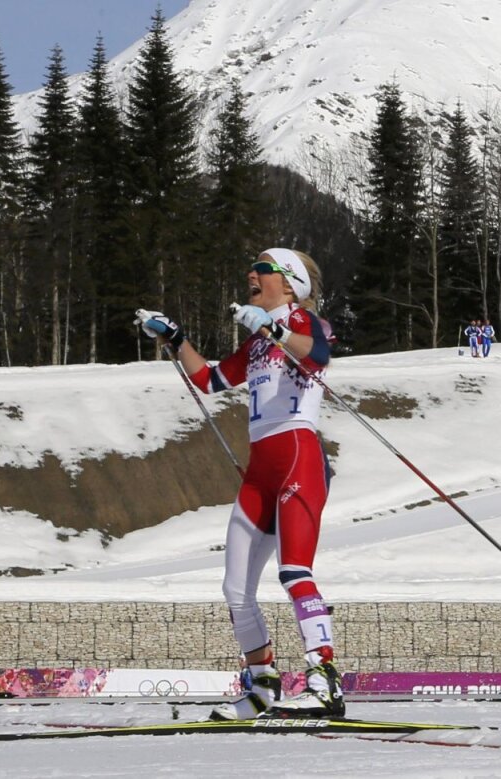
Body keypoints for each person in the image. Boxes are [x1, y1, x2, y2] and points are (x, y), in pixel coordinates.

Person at [139, 248, 343, 720]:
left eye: (263, 269)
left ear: (289, 283)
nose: (251, 273)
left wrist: (272, 328)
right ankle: (261, 687)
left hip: (297, 457)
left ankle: (324, 680)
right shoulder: (255, 343)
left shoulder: (304, 321)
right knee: (235, 589)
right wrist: (175, 338)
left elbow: (319, 357)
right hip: (260, 470)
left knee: (294, 572)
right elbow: (209, 380)